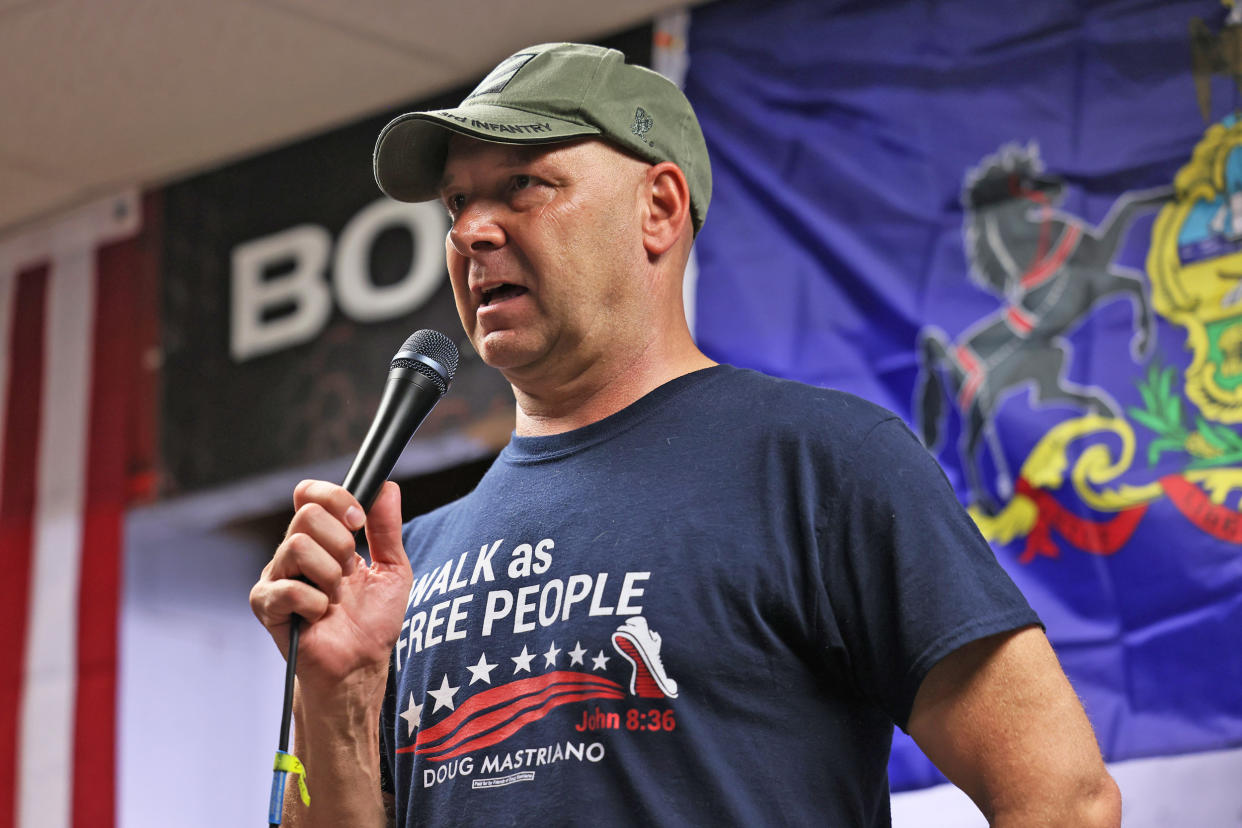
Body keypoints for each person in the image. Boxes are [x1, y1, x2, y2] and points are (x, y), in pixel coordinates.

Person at [250, 42, 1121, 827]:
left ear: (659, 208)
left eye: (525, 185)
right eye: (457, 203)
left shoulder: (819, 468)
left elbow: (1063, 800)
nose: (474, 230)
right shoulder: (410, 565)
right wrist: (339, 697)